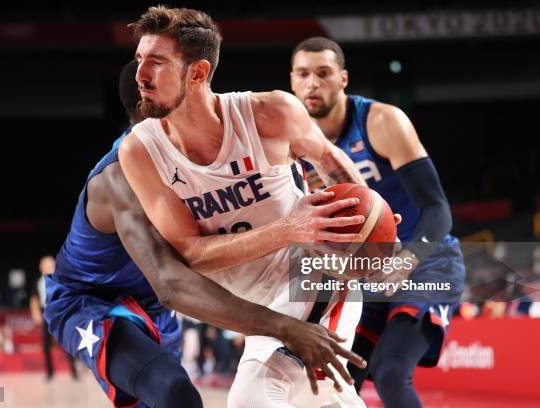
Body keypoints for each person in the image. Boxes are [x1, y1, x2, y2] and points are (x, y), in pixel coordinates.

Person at [44, 44, 372, 408]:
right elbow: (173, 280)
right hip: (95, 300)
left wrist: (366, 218)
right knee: (175, 392)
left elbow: (321, 158)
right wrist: (283, 325)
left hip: (156, 302)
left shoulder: (208, 145)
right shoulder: (126, 175)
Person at [119, 6, 403, 408]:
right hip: (257, 310)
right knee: (325, 400)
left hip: (314, 278)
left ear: (198, 73)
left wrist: (371, 223)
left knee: (252, 398)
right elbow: (191, 254)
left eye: (157, 62)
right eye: (140, 60)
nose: (140, 75)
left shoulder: (269, 113)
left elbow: (330, 161)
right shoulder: (141, 150)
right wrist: (288, 228)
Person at [290, 37, 466, 408]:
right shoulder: (289, 144)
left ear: (343, 79)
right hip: (361, 271)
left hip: (424, 259)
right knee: (336, 384)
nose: (312, 83)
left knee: (389, 372)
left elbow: (438, 209)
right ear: (292, 81)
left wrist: (407, 261)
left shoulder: (382, 121)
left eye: (323, 73)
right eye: (303, 74)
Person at [29, 255, 78, 381]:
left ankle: (74, 372)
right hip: (46, 314)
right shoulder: (37, 282)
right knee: (46, 345)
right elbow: (34, 299)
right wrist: (36, 313)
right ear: (41, 267)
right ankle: (50, 373)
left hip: (60, 313)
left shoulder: (61, 280)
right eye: (45, 265)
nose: (48, 267)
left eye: (50, 264)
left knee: (67, 343)